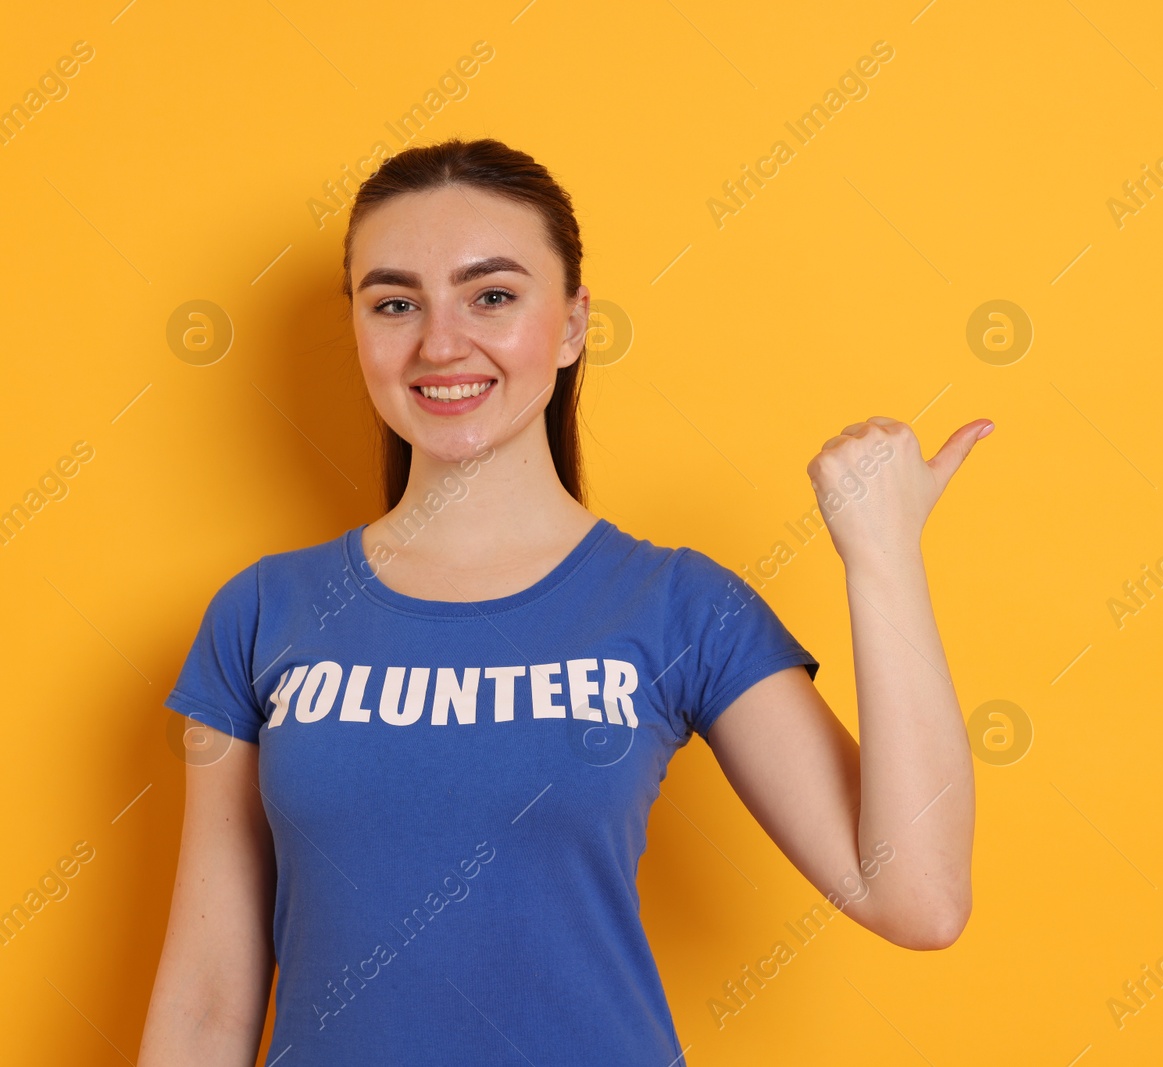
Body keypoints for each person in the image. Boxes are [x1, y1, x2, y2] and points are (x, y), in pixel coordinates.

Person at [138, 137, 987, 1066]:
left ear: (576, 322)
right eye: (394, 303)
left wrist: (883, 554)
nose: (441, 342)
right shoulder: (261, 613)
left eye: (492, 295)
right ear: (359, 327)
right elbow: (207, 1002)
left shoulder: (679, 606)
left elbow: (918, 897)